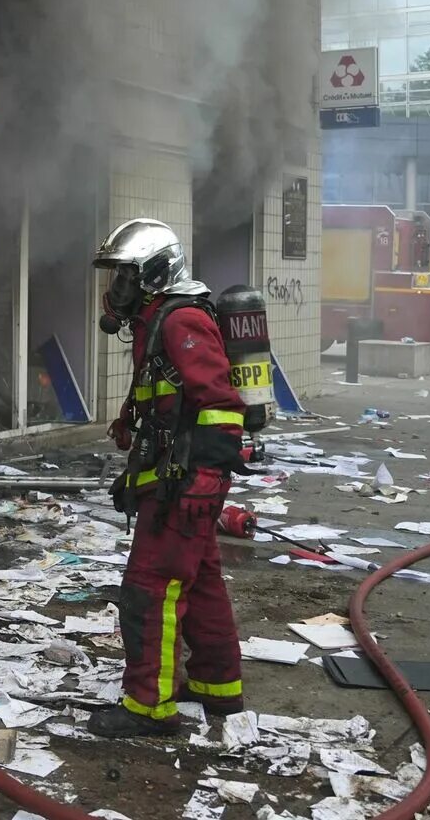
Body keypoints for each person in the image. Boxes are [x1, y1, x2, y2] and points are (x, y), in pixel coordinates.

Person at [86, 218, 248, 738]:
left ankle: (148, 706)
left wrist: (205, 479)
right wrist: (129, 419)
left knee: (149, 588)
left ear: (155, 273)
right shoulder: (159, 319)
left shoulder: (180, 320)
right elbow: (164, 385)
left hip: (188, 479)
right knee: (199, 582)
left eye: (126, 278)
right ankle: (216, 685)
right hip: (175, 473)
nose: (118, 291)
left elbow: (219, 405)